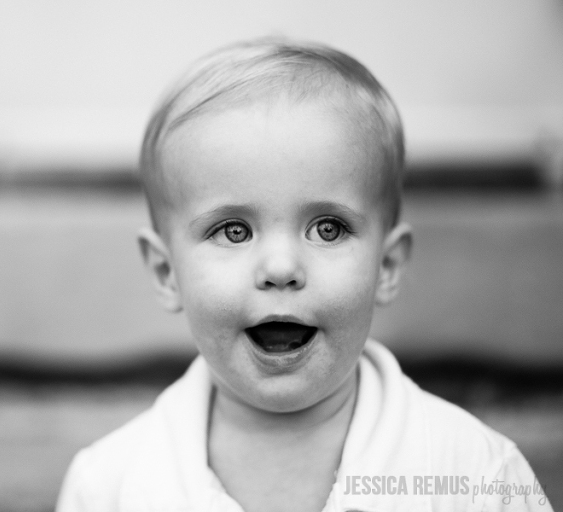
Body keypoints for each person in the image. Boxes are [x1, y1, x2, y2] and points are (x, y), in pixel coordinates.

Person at [56, 39, 552, 512]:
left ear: (387, 265)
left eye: (328, 228)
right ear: (167, 272)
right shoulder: (108, 487)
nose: (281, 269)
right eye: (232, 231)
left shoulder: (475, 477)